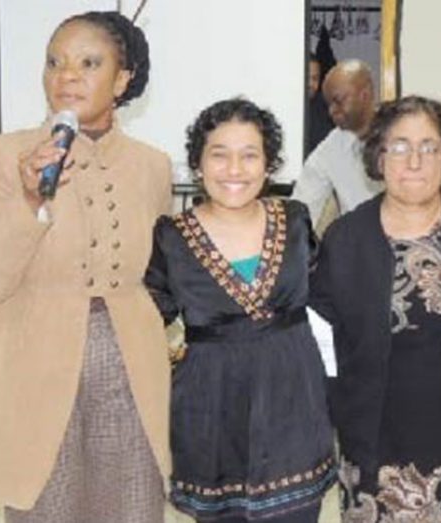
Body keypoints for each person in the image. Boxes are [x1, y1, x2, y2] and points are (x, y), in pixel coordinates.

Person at [0, 11, 172, 522]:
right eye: (54, 62)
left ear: (123, 80)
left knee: (131, 507)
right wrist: (31, 200)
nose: (67, 76)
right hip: (34, 367)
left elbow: (162, 274)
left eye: (88, 62)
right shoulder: (4, 155)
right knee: (47, 509)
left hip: (131, 369)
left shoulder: (152, 165)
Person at [310, 95, 441, 521]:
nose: (413, 160)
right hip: (378, 450)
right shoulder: (345, 239)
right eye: (399, 146)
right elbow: (319, 339)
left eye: (428, 147)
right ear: (379, 157)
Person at [144, 98, 336, 523]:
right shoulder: (171, 237)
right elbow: (142, 319)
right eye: (219, 154)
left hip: (295, 407)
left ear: (269, 165)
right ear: (197, 164)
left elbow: (333, 302)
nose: (235, 169)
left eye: (250, 155)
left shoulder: (296, 220)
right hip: (211, 412)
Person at [292, 59, 381, 224]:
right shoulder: (331, 148)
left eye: (338, 101)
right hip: (359, 243)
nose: (332, 110)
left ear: (365, 94)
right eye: (328, 104)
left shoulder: (401, 133)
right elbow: (304, 206)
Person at [305, 54, 334, 158]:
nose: (310, 84)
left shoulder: (327, 107)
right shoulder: (283, 105)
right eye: (306, 77)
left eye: (315, 78)